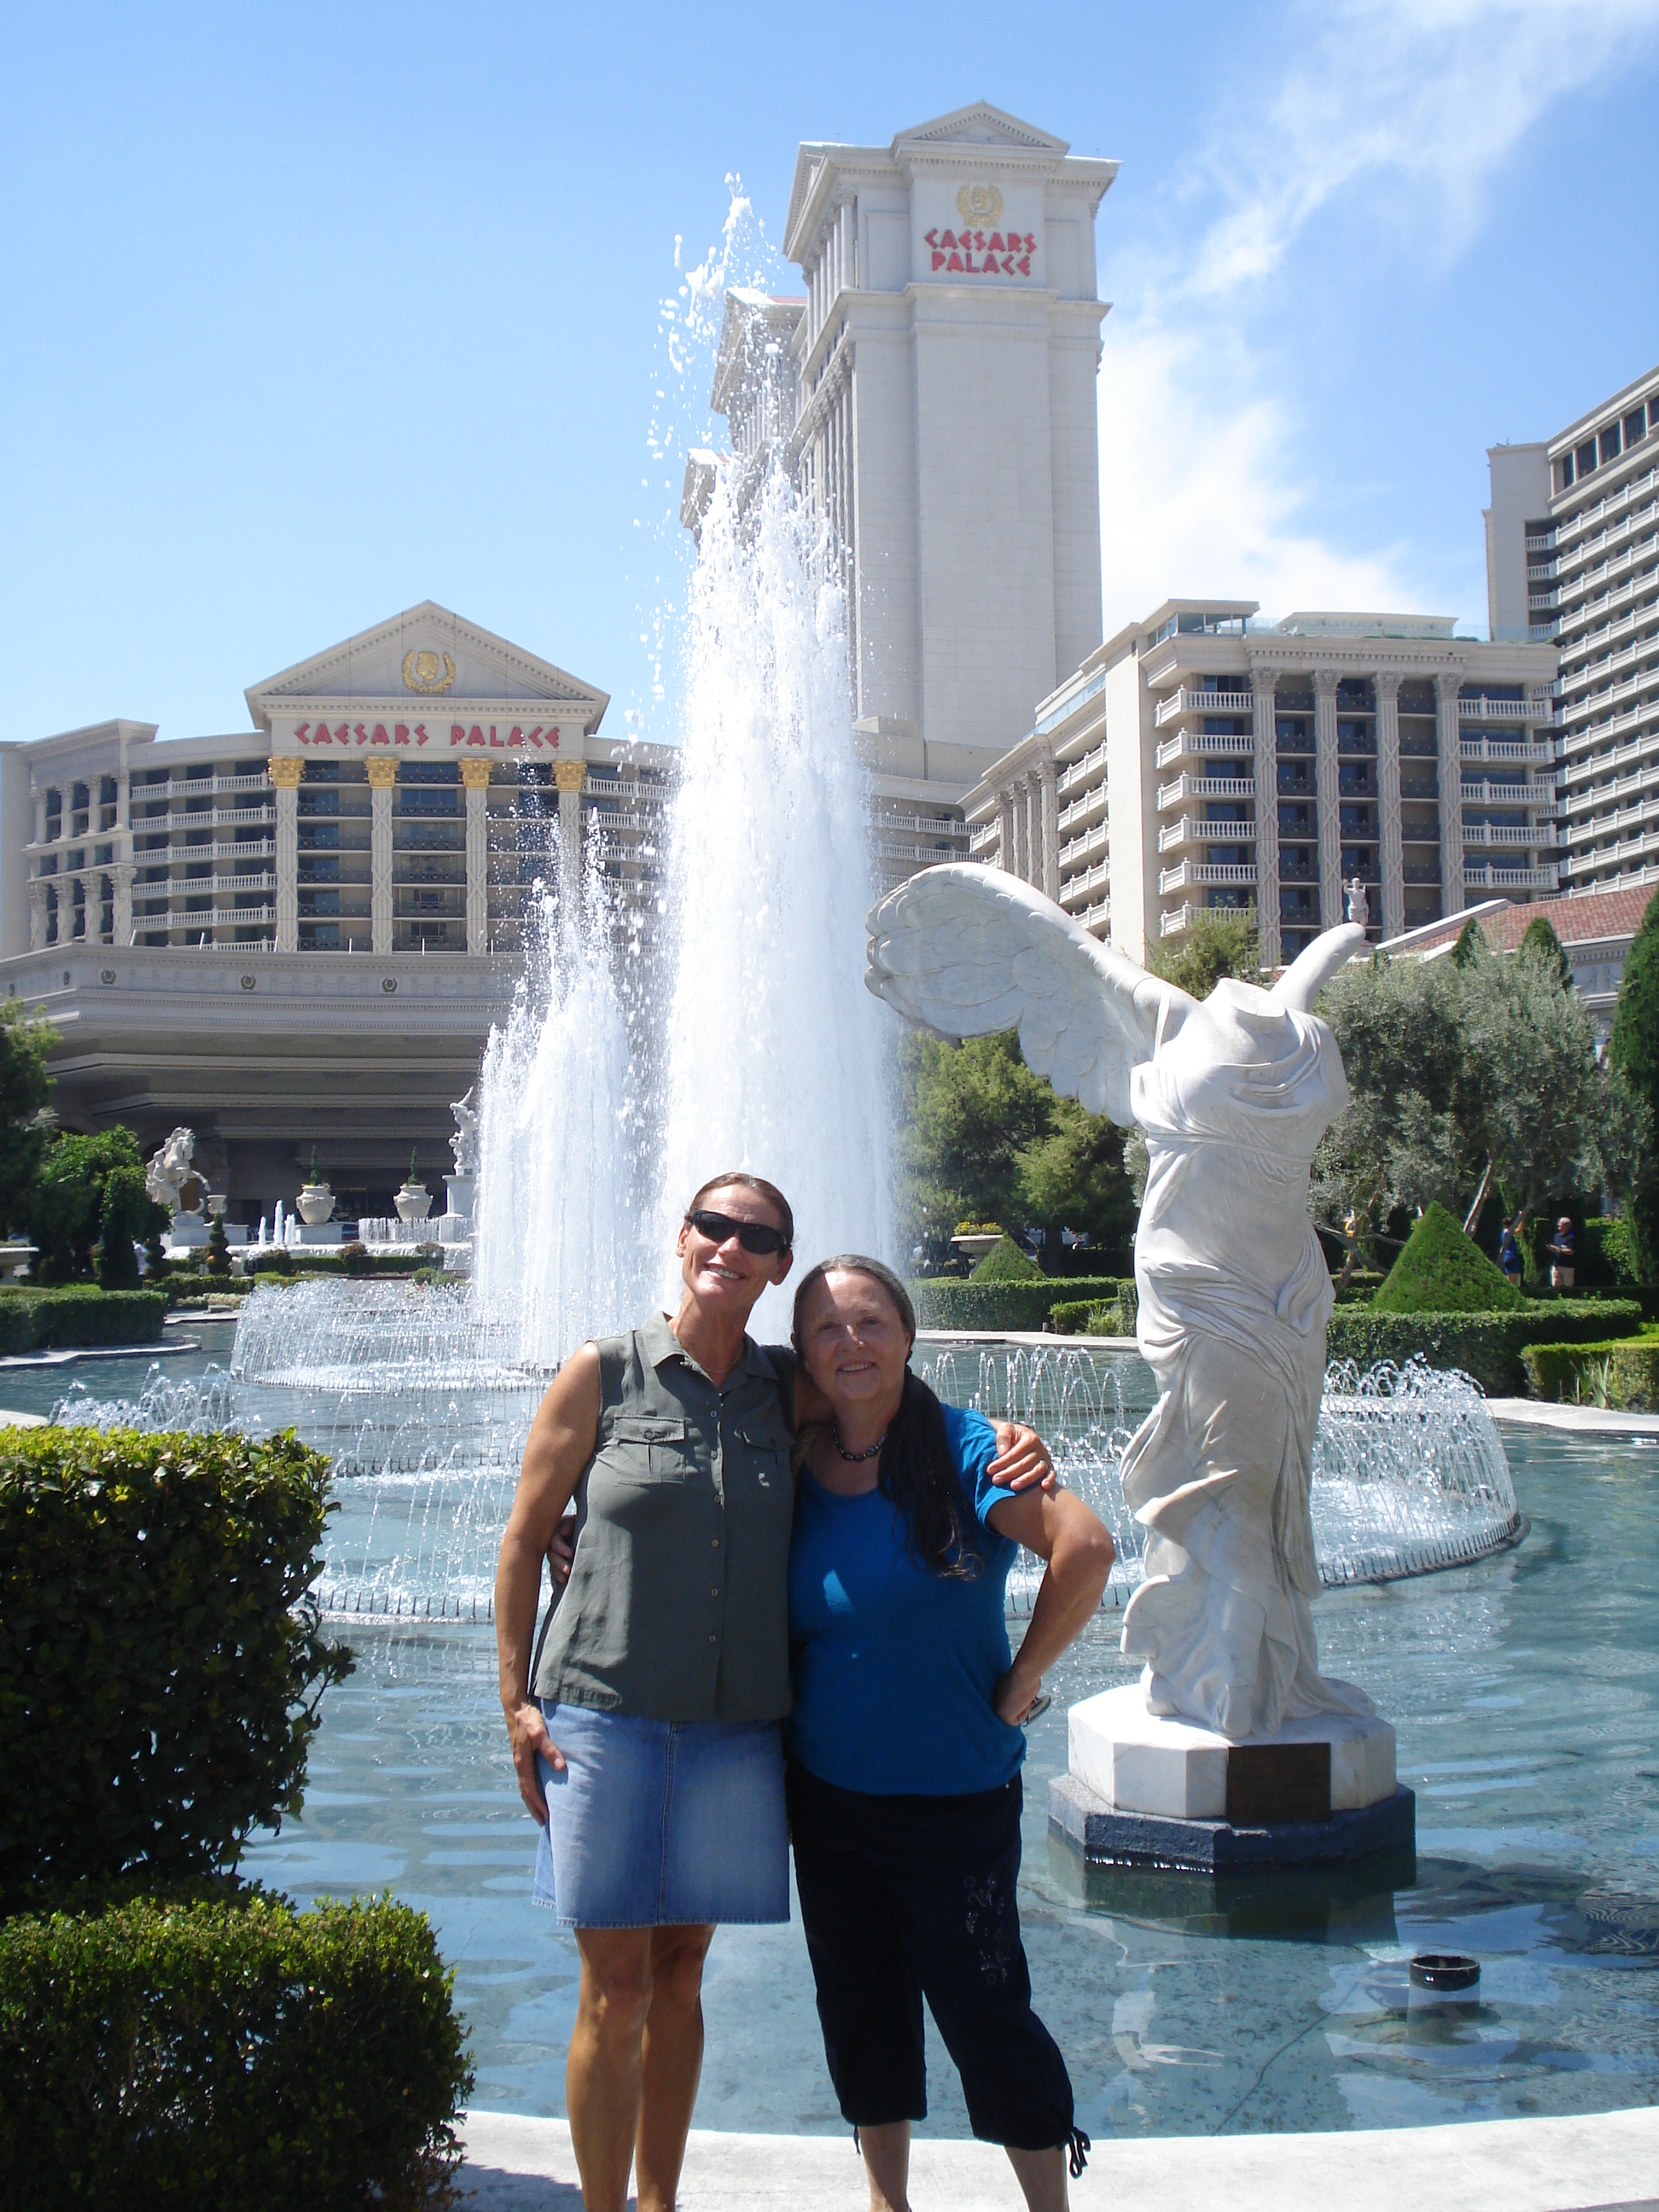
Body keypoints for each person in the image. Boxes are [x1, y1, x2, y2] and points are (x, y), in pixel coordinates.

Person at [494, 1175, 1056, 2212]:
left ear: (778, 1262)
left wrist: (1008, 1441)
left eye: (757, 1235)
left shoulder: (782, 1388)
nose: (731, 1246)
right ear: (682, 1236)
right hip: (604, 1714)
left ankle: (660, 2203)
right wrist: (516, 1701)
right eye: (715, 1225)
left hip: (737, 1729)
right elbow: (527, 1537)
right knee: (614, 1993)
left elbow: (880, 1393)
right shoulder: (602, 1373)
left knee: (679, 1980)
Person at [786, 1255, 1115, 2212]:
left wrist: (1022, 1679)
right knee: (859, 2009)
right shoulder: (799, 1461)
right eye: (828, 1329)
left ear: (908, 1334)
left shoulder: (969, 1450)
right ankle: (889, 2203)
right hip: (828, 1794)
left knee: (983, 2009)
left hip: (954, 1797)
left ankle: (1047, 2206)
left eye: (871, 1321)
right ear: (805, 1354)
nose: (851, 1343)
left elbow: (1085, 1549)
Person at [1547, 1214, 1575, 1290]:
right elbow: (1555, 1248)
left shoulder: (1571, 1237)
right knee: (1555, 1286)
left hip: (1567, 1267)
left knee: (1568, 1288)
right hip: (1556, 1266)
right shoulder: (1556, 1236)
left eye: (1561, 1223)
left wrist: (1559, 1249)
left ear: (1566, 1226)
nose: (1558, 1225)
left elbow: (1571, 1251)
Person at [1498, 1215, 1523, 1289]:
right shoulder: (1508, 1233)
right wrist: (1522, 1218)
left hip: (1508, 1257)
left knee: (1511, 1279)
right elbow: (1520, 1229)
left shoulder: (1503, 1232)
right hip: (1511, 1257)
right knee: (1512, 1283)